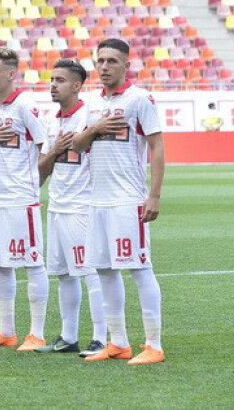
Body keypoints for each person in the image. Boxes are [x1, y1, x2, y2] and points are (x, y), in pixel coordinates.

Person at [69, 38, 166, 365]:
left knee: (140, 268)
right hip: (97, 201)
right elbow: (77, 145)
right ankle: (118, 342)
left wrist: (154, 195)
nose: (105, 67)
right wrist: (96, 128)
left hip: (128, 201)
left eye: (112, 61)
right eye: (100, 61)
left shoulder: (139, 99)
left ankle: (153, 345)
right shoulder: (92, 104)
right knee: (104, 270)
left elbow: (157, 146)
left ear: (126, 64)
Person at [0, 47, 50, 352]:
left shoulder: (25, 106)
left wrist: (33, 184)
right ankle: (6, 331)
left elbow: (46, 146)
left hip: (20, 198)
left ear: (11, 74)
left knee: (31, 263)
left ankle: (37, 333)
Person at [37, 60, 107, 356]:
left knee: (91, 272)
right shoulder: (51, 121)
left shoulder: (89, 117)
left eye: (61, 80)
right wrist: (55, 150)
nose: (53, 85)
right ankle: (68, 337)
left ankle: (101, 338)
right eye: (52, 79)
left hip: (82, 207)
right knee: (64, 274)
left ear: (77, 86)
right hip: (57, 207)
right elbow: (40, 173)